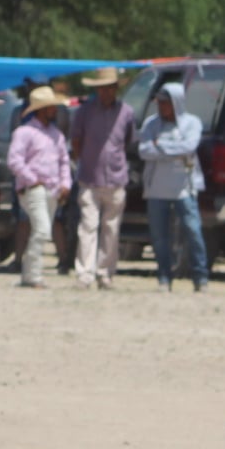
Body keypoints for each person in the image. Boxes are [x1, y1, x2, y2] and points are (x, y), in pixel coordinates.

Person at [139, 81, 207, 291]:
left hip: (184, 188)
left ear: (176, 103)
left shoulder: (192, 123)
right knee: (159, 236)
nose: (161, 106)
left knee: (193, 231)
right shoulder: (151, 124)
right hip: (156, 189)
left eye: (165, 103)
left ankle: (200, 277)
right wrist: (172, 151)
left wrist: (161, 147)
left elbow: (189, 146)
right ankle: (164, 276)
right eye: (159, 102)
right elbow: (144, 150)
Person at [71, 67, 134, 289]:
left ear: (116, 88)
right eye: (101, 89)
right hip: (89, 177)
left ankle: (105, 272)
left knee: (112, 228)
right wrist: (84, 161)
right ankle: (85, 274)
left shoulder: (126, 112)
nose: (105, 92)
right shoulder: (84, 112)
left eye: (109, 88)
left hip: (116, 178)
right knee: (88, 226)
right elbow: (76, 140)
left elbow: (127, 140)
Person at [7, 86, 69, 289]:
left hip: (52, 189)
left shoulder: (56, 135)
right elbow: (14, 160)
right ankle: (33, 275)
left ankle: (28, 274)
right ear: (42, 109)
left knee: (40, 230)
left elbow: (64, 161)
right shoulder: (24, 132)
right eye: (51, 106)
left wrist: (65, 183)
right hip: (33, 188)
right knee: (42, 230)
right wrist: (32, 179)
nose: (55, 110)